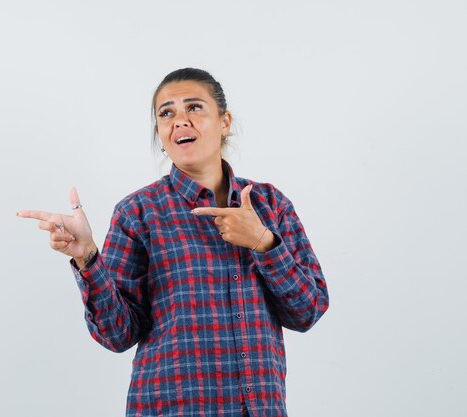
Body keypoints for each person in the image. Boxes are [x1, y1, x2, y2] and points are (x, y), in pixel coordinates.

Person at [17, 68, 329, 417]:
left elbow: (307, 311)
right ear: (160, 132)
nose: (180, 120)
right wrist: (88, 258)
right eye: (166, 113)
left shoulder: (271, 205)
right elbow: (117, 334)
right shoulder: (139, 212)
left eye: (194, 107)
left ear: (224, 121)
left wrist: (264, 242)